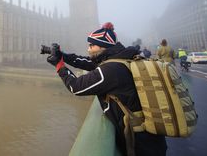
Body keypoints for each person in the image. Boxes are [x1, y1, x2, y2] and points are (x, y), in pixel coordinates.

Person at [46, 22, 167, 156]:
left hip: (141, 142)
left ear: (103, 46)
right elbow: (87, 62)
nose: (88, 49)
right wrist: (62, 55)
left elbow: (76, 87)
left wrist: (59, 65)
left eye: (92, 45)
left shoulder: (111, 70)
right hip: (149, 137)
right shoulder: (119, 58)